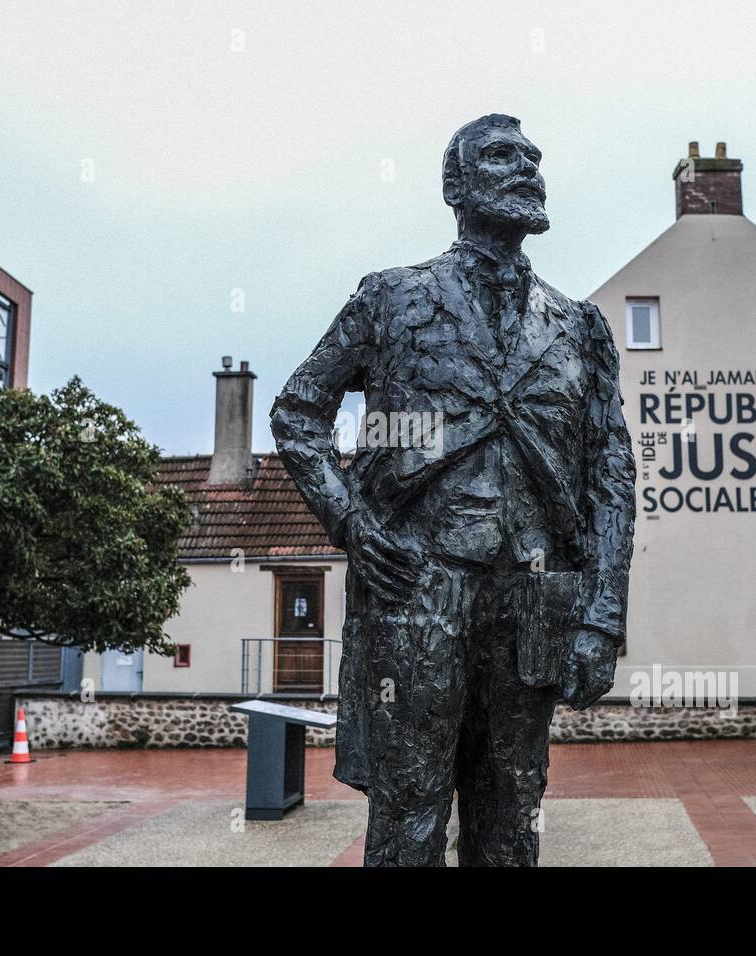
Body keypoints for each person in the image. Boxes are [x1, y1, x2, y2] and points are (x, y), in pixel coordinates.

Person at [271, 114, 635, 866]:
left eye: (535, 157)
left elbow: (611, 474)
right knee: (408, 821)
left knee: (511, 822)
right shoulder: (390, 299)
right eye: (502, 156)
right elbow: (298, 409)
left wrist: (601, 620)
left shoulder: (579, 326)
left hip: (535, 600)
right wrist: (350, 522)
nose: (528, 167)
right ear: (455, 185)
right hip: (416, 592)